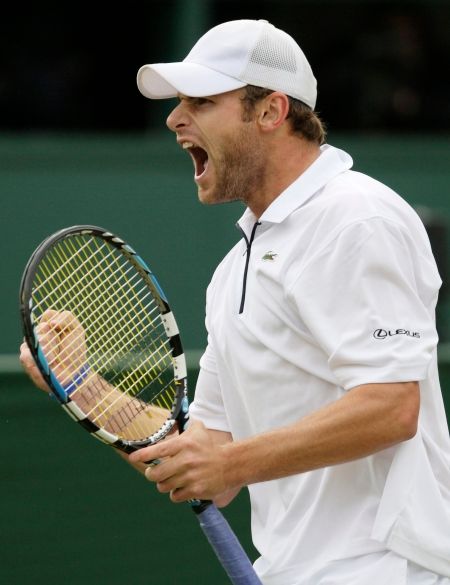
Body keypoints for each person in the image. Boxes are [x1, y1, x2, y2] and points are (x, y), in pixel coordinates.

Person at [20, 19, 450, 585]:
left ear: (271, 112)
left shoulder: (355, 218)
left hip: (390, 570)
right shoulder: (233, 272)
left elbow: (391, 407)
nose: (175, 118)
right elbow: (208, 465)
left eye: (201, 101)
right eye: (179, 103)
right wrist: (78, 384)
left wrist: (228, 463)